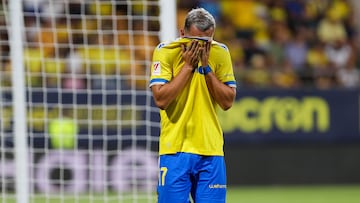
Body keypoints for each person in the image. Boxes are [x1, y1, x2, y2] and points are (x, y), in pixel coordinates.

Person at [149, 8, 237, 203]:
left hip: (210, 150)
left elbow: (227, 101)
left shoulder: (220, 53)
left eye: (206, 41)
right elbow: (161, 100)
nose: (200, 47)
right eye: (195, 40)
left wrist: (206, 69)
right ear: (182, 33)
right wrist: (188, 67)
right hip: (175, 150)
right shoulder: (166, 52)